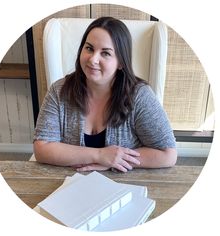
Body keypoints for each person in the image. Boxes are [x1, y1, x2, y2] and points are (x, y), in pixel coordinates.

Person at [33, 16, 177, 172]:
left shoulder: (139, 96)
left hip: (123, 186)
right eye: (89, 48)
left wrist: (114, 161)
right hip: (70, 183)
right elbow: (42, 148)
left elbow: (168, 154)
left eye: (106, 53)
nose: (93, 59)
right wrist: (100, 155)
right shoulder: (59, 91)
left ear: (121, 62)